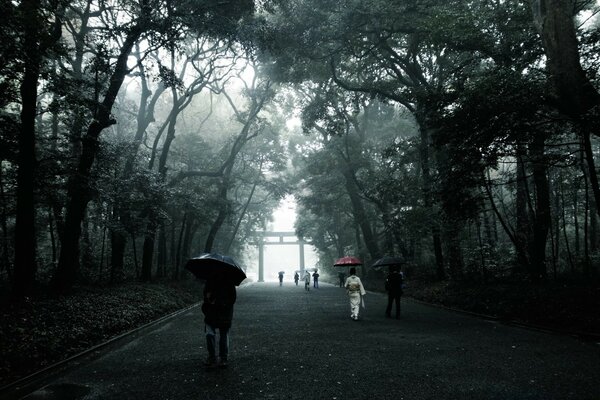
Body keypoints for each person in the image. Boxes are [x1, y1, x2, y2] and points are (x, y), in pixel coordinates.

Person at [202, 277, 237, 368]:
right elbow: (205, 295)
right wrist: (208, 298)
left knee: (224, 335)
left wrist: (222, 303)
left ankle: (223, 357)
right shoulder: (210, 280)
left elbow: (232, 298)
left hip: (224, 313)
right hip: (211, 313)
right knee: (209, 334)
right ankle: (212, 357)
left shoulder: (229, 281)